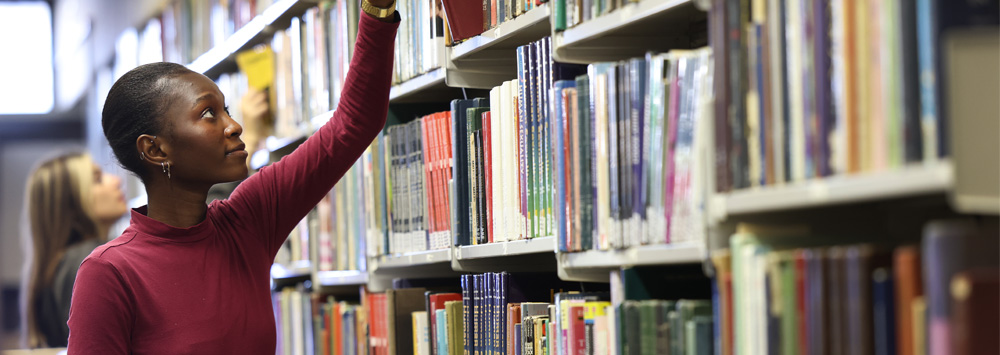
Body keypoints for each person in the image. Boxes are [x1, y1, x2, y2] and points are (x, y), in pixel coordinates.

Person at [66, 1, 399, 352]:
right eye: (208, 113)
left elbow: (353, 125)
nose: (235, 125)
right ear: (156, 150)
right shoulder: (110, 273)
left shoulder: (249, 220)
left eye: (226, 109)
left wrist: (377, 9)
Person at [21, 152, 127, 348]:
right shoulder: (89, 259)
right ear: (70, 201)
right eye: (97, 179)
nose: (116, 180)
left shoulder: (63, 262)